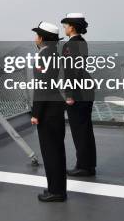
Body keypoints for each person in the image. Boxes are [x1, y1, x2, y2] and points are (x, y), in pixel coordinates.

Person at [30, 22, 67, 202]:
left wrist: (36, 113)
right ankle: (55, 188)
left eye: (37, 35)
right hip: (55, 107)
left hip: (48, 111)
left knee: (51, 151)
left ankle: (57, 192)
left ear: (43, 38)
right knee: (56, 150)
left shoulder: (45, 56)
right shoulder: (53, 54)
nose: (35, 38)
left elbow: (42, 87)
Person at [61, 13, 96, 177]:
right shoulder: (82, 42)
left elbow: (71, 71)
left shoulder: (71, 45)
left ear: (72, 27)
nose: (64, 28)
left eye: (66, 25)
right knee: (86, 129)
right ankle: (89, 165)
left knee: (79, 131)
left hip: (78, 92)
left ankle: (83, 166)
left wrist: (69, 94)